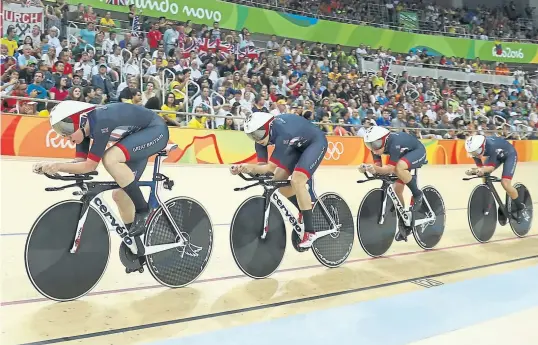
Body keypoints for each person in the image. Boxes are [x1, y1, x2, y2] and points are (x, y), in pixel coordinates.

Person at [33, 100, 169, 237]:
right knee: (120, 195)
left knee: (110, 158)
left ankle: (143, 210)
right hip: (137, 138)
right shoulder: (84, 129)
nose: (66, 136)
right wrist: (49, 166)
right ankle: (137, 242)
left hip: (155, 130)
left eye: (66, 129)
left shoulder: (101, 122)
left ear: (81, 120)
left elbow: (89, 166)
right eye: (61, 131)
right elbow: (79, 164)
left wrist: (57, 166)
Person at [231, 112, 328, 248]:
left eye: (258, 134)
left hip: (315, 143)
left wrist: (246, 167)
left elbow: (269, 168)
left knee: (297, 181)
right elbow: (262, 169)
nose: (257, 139)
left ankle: (310, 232)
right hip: (296, 145)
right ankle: (303, 208)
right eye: (251, 136)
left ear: (269, 126)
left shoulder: (283, 134)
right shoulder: (261, 137)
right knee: (278, 181)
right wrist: (243, 169)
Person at [359, 126, 427, 240]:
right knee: (397, 190)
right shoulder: (376, 147)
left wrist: (374, 168)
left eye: (375, 144)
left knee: (398, 168)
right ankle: (405, 223)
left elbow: (390, 168)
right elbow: (379, 169)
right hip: (404, 155)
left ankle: (417, 194)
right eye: (369, 145)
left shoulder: (394, 142)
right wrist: (368, 168)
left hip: (417, 151)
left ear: (385, 139)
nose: (373, 148)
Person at [464, 134, 526, 220]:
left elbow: (490, 168)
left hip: (510, 154)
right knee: (484, 177)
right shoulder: (475, 150)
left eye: (475, 153)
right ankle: (489, 199)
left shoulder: (491, 146)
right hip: (497, 155)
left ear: (481, 147)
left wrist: (479, 170)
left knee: (505, 183)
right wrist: (474, 170)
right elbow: (480, 168)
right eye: (472, 153)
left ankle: (520, 207)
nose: (474, 155)